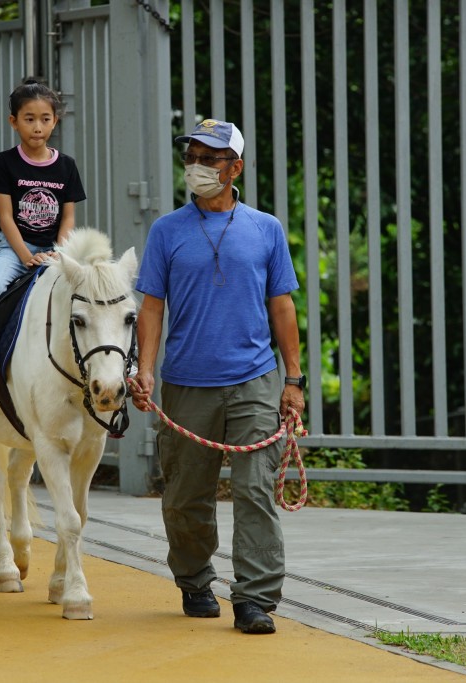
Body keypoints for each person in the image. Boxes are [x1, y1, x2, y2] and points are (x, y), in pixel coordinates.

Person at [131, 119, 305, 635]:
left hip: (254, 380)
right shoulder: (167, 231)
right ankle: (194, 579)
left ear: (236, 168)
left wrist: (293, 381)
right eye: (193, 157)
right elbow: (151, 308)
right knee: (186, 494)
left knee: (254, 490)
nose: (199, 167)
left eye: (211, 159)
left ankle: (254, 598)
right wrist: (144, 369)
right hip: (186, 382)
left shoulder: (265, 229)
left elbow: (282, 307)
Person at [0, 79, 86, 394]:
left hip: (54, 249)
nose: (38, 126)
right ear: (14, 122)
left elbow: (68, 218)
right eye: (29, 119)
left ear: (55, 120)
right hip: (14, 247)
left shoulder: (66, 167)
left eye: (45, 119)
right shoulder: (5, 163)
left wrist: (58, 253)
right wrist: (25, 256)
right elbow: (6, 218)